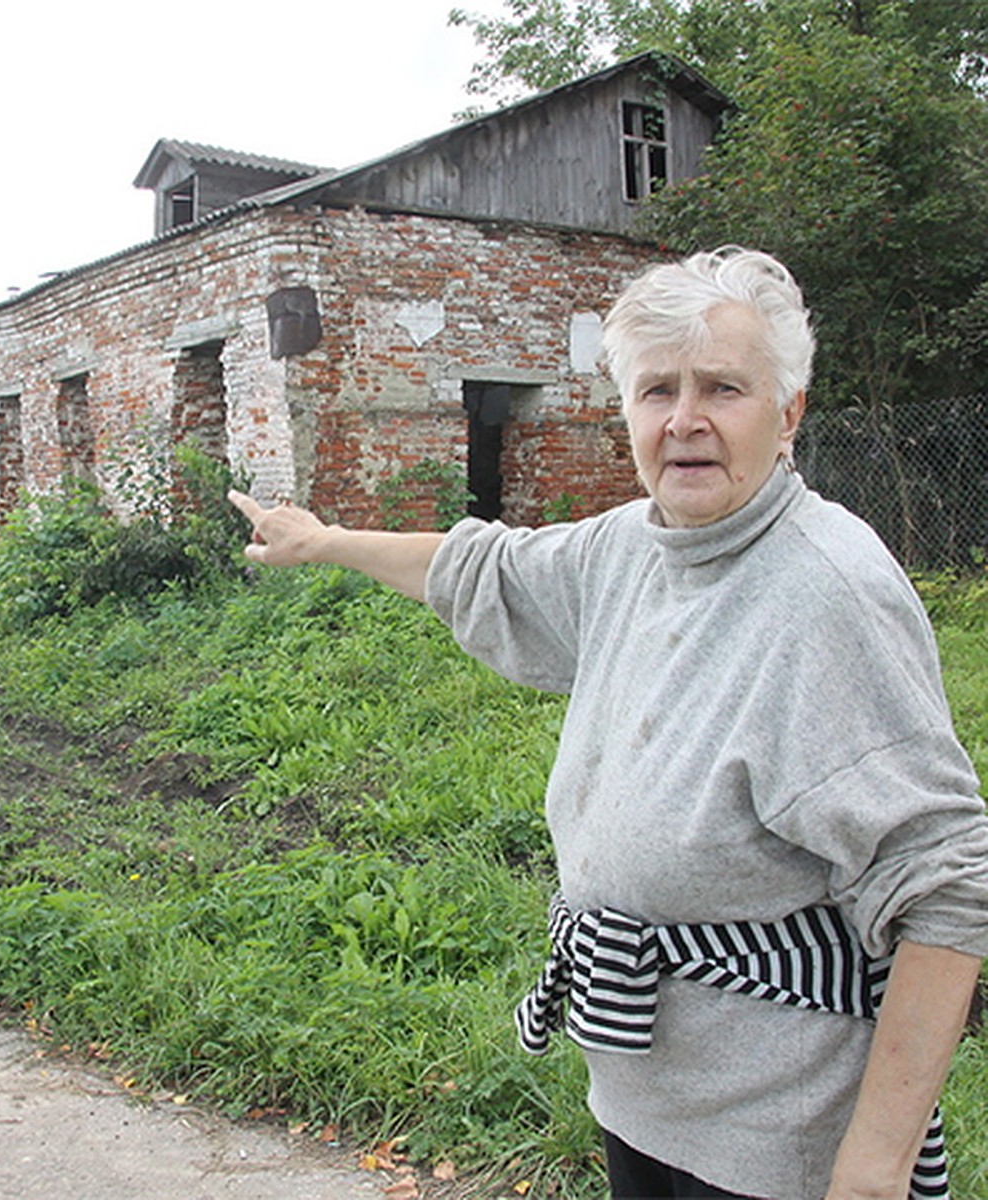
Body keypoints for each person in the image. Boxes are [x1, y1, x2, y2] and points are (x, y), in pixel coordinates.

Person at [228, 247, 988, 1200]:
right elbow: (488, 569)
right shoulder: (633, 546)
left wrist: (873, 1169)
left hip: (776, 1133)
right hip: (641, 1095)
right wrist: (327, 541)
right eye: (656, 389)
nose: (685, 421)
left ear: (789, 412)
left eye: (723, 388)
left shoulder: (824, 592)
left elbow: (949, 883)